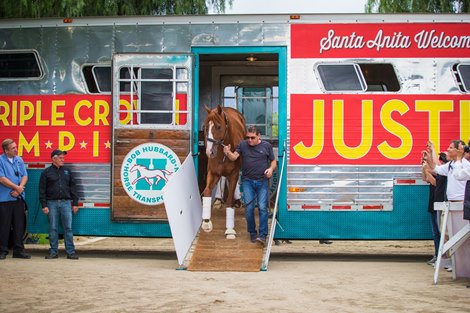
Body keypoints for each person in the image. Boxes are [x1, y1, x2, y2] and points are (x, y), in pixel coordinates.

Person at [223, 125, 276, 245]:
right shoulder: (243, 145)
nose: (250, 140)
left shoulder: (266, 146)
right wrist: (227, 152)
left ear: (259, 136)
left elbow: (273, 161)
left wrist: (271, 169)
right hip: (247, 182)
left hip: (262, 181)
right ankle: (252, 233)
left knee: (262, 207)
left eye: (253, 138)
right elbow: (234, 157)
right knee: (249, 208)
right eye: (248, 137)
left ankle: (262, 235)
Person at [39, 149, 79, 260]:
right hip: (51, 203)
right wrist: (44, 205)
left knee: (68, 228)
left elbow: (73, 188)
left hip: (66, 203)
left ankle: (71, 252)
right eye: (60, 158)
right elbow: (42, 190)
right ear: (53, 159)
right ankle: (53, 252)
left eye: (63, 158)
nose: (63, 160)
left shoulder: (67, 171)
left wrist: (75, 203)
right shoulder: (46, 173)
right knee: (53, 228)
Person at [0, 139, 30, 259]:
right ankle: (2, 250)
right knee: (4, 226)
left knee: (19, 225)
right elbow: (2, 179)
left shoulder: (19, 160)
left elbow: (24, 175)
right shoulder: (1, 160)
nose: (16, 149)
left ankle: (18, 250)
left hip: (18, 198)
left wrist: (20, 188)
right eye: (13, 148)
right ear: (6, 150)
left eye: (16, 147)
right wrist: (16, 187)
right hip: (5, 199)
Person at [421, 148, 447, 265]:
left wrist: (427, 167)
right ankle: (438, 254)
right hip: (433, 203)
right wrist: (425, 168)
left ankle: (442, 255)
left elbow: (433, 181)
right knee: (436, 232)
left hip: (440, 204)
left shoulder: (444, 172)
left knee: (440, 232)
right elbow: (425, 178)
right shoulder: (441, 171)